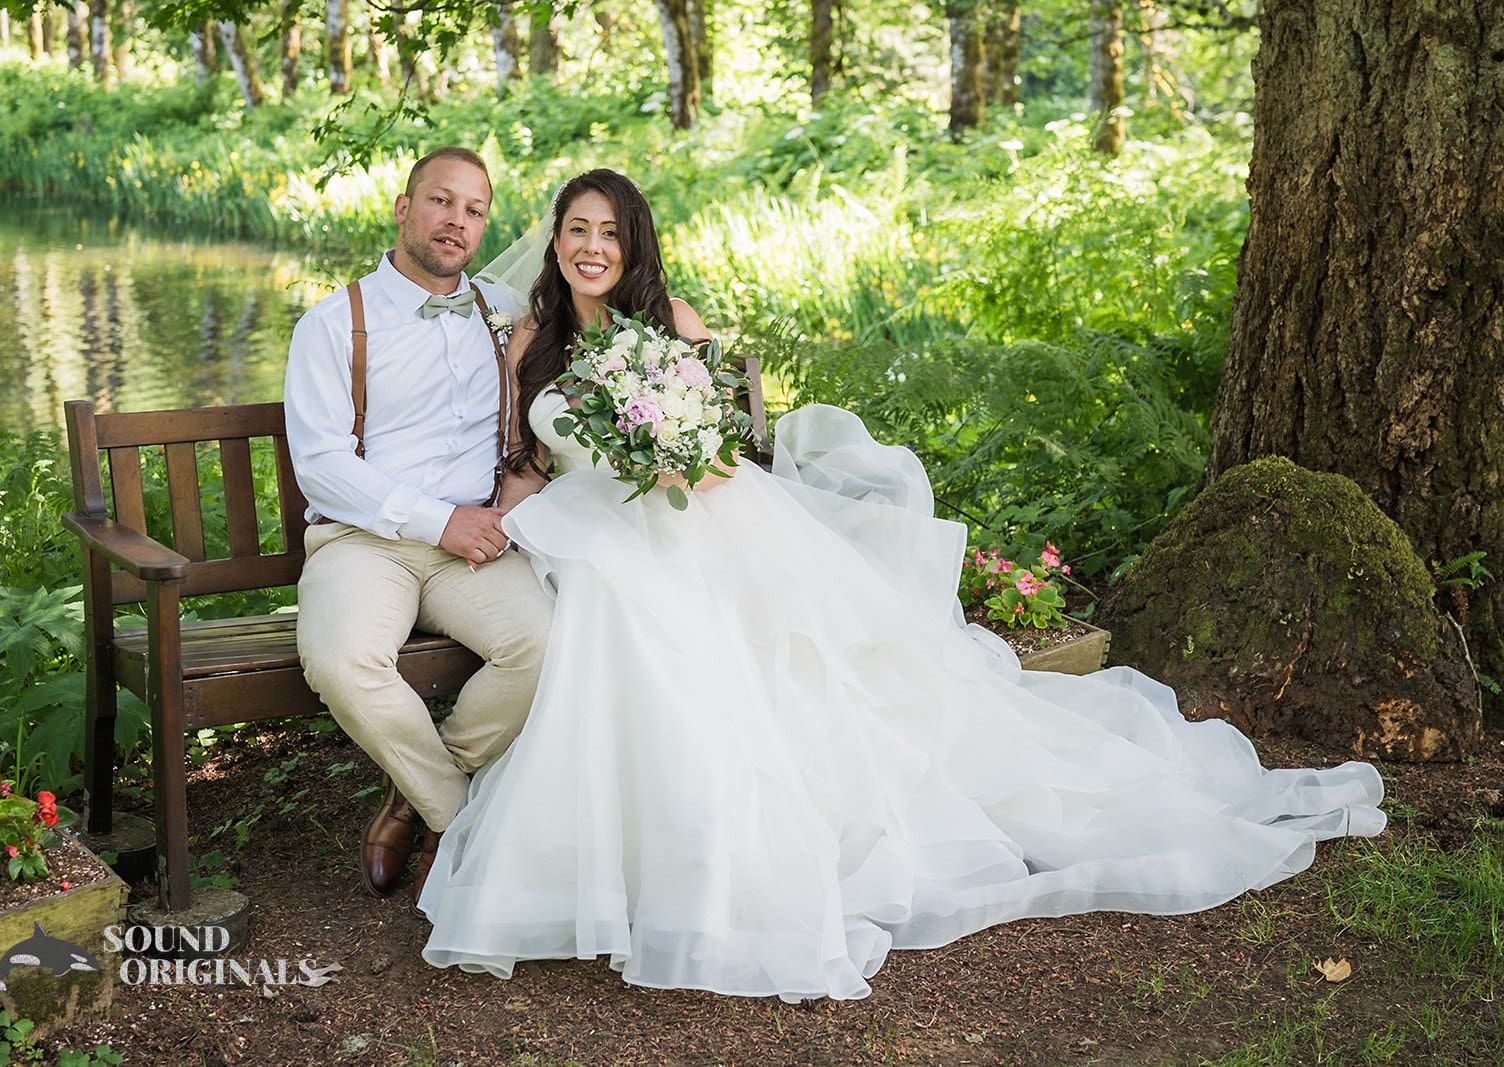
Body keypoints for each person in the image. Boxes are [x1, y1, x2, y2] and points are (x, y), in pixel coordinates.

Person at [416, 169, 1385, 1000]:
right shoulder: (531, 335)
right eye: (576, 229)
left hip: (685, 519)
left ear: (634, 245)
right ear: (555, 239)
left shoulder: (671, 324)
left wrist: (669, 450)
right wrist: (510, 504)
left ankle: (715, 860)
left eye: (608, 232)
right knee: (607, 605)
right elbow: (522, 462)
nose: (591, 246)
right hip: (575, 529)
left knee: (675, 626)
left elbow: (712, 460)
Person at [283, 147, 553, 902]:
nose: (455, 222)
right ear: (404, 209)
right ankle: (463, 820)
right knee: (340, 661)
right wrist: (440, 522)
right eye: (441, 202)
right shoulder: (334, 324)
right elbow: (323, 467)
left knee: (547, 643)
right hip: (364, 539)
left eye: (473, 211)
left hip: (475, 544)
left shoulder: (503, 314)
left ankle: (411, 792)